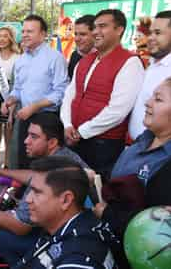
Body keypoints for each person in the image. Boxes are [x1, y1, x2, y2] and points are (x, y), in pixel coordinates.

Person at [0, 113, 90, 266]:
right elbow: (32, 176)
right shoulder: (66, 157)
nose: (26, 141)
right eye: (27, 135)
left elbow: (20, 227)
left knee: (5, 237)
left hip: (67, 241)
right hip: (81, 227)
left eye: (33, 137)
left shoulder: (48, 172)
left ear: (52, 142)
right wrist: (2, 172)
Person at [94, 78, 171, 268]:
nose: (148, 102)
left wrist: (108, 214)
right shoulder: (141, 141)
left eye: (159, 99)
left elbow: (156, 228)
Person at [60, 9, 145, 178]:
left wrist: (82, 131)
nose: (96, 31)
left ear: (119, 30)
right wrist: (67, 124)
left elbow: (118, 110)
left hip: (103, 144)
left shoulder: (130, 62)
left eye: (103, 26)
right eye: (95, 27)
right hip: (74, 137)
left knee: (97, 193)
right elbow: (70, 95)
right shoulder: (84, 61)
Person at [18, 157, 117, 269]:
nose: (28, 199)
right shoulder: (63, 227)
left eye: (37, 192)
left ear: (66, 200)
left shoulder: (79, 258)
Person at [1, 14, 69, 168]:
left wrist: (35, 106)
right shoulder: (21, 60)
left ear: (43, 34)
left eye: (30, 31)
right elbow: (18, 89)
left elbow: (61, 91)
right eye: (23, 31)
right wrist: (10, 100)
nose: (25, 35)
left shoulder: (55, 58)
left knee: (43, 166)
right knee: (24, 160)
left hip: (47, 118)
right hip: (25, 118)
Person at [129, 11, 171, 140]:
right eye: (150, 33)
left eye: (158, 33)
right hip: (136, 146)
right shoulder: (152, 63)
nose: (150, 38)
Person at [0, 25, 21, 168]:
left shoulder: (18, 57)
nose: (1, 39)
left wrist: (11, 105)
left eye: (5, 36)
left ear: (11, 38)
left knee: (9, 134)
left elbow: (18, 83)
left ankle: (7, 164)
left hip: (11, 97)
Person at [68, 14, 96, 79]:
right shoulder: (75, 56)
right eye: (75, 34)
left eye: (83, 34)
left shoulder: (106, 59)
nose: (77, 39)